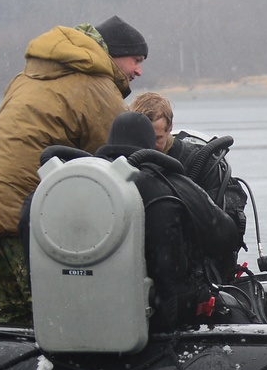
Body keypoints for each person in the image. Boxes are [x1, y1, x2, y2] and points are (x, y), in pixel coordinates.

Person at [0, 16, 148, 324]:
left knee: (14, 316)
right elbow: (126, 157)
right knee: (56, 319)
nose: (138, 71)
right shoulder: (94, 84)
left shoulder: (26, 78)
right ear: (114, 54)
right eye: (136, 60)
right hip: (33, 221)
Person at [92, 112, 241, 331]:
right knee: (230, 308)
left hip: (93, 305)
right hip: (166, 315)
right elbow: (225, 237)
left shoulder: (80, 181)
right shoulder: (171, 184)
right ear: (149, 143)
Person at [129, 91, 249, 280]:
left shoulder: (201, 162)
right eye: (144, 137)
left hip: (197, 266)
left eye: (157, 138)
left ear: (170, 128)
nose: (150, 145)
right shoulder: (128, 163)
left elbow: (230, 213)